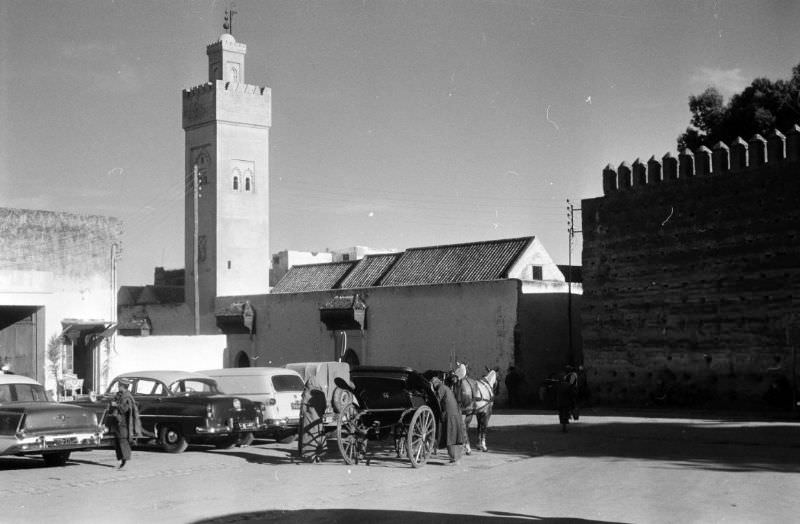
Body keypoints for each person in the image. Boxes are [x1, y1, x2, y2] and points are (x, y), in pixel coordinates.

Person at [430, 376, 466, 465]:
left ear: (435, 384)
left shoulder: (441, 387)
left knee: (451, 436)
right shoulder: (446, 387)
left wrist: (431, 391)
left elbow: (437, 400)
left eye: (432, 384)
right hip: (453, 414)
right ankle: (455, 458)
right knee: (453, 436)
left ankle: (454, 459)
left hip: (450, 415)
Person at [108, 378, 141, 469]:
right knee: (118, 441)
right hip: (118, 422)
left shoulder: (127, 397)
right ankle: (121, 459)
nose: (118, 387)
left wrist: (116, 405)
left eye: (119, 386)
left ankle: (124, 459)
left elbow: (125, 409)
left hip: (124, 423)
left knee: (123, 440)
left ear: (124, 387)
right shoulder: (119, 395)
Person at [556, 366, 578, 433]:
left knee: (562, 414)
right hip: (566, 402)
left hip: (560, 402)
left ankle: (564, 427)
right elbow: (572, 393)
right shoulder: (568, 385)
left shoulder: (559, 386)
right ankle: (564, 427)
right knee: (565, 414)